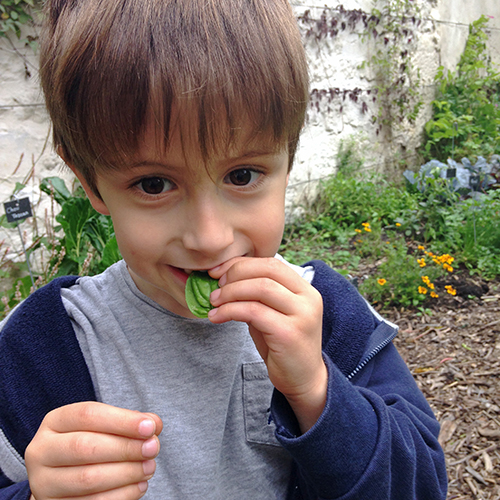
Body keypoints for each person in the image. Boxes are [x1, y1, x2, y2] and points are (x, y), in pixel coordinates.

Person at [0, 0, 448, 499]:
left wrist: (318, 394)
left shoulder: (330, 317)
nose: (209, 237)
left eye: (242, 175)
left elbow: (423, 486)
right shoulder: (40, 347)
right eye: (153, 183)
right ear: (91, 183)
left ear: (289, 156)